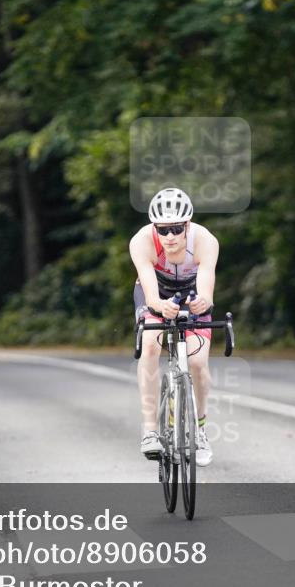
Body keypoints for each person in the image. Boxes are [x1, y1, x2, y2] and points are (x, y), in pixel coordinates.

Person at [129, 187, 219, 466]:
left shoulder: (205, 240)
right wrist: (158, 306)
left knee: (199, 362)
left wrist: (203, 303)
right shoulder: (141, 241)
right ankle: (150, 431)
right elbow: (149, 287)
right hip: (156, 292)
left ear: (187, 226)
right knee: (150, 346)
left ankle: (200, 430)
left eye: (176, 229)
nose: (169, 237)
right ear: (154, 227)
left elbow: (206, 287)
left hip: (192, 293)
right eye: (163, 230)